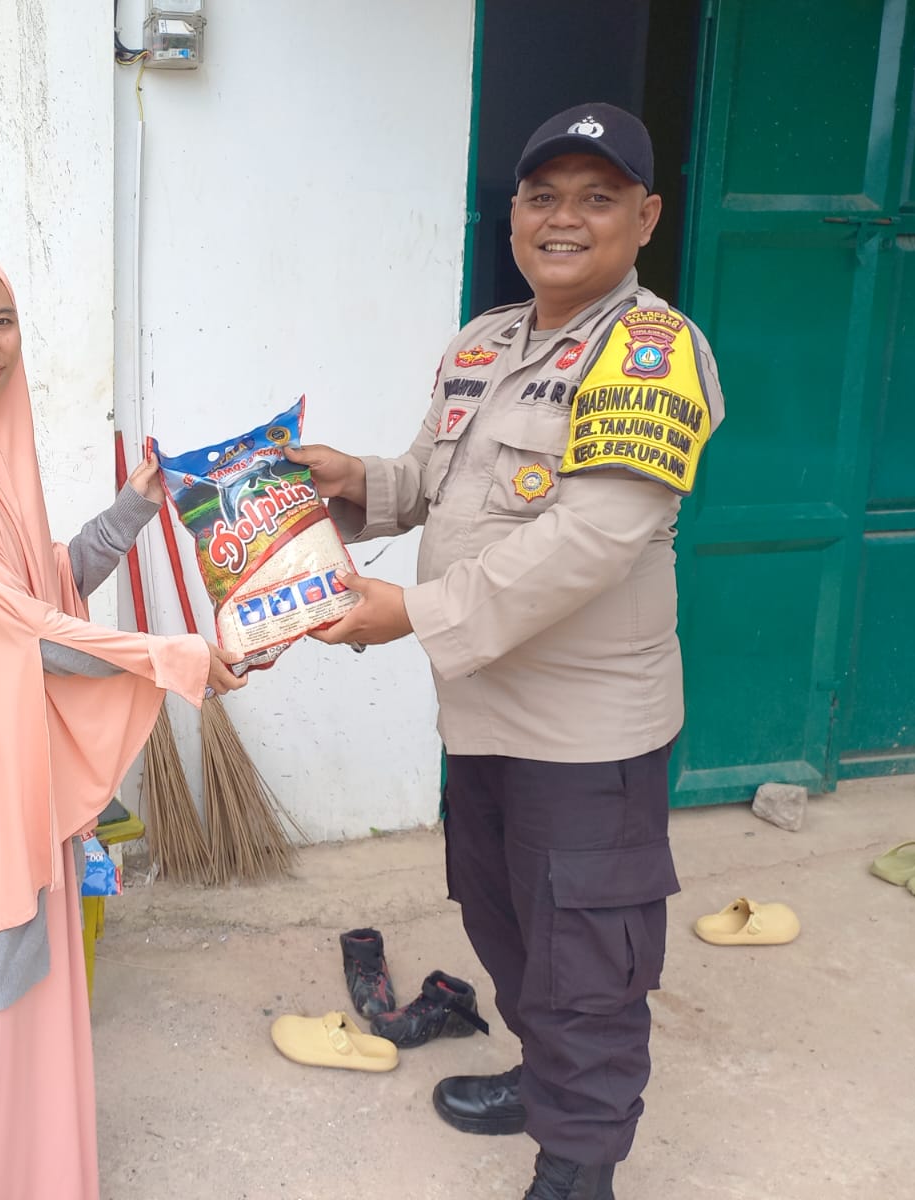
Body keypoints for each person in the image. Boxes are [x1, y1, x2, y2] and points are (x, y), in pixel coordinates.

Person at [289, 104, 725, 1200]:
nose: (562, 219)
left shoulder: (654, 353)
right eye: (543, 197)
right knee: (504, 919)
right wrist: (354, 482)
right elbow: (434, 482)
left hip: (586, 734)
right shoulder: (482, 341)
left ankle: (578, 1168)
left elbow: (593, 540)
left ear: (645, 219)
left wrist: (413, 612)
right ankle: (545, 1081)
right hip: (482, 711)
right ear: (516, 214)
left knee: (587, 963)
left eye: (596, 198)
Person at [0, 236, 242, 1199]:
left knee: (19, 997)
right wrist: (175, 658)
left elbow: (43, 584)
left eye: (2, 321)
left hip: (8, 755)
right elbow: (23, 630)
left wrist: (132, 509)